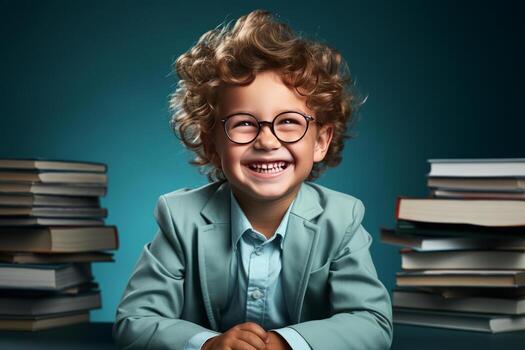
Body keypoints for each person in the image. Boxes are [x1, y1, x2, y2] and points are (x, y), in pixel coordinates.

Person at [113, 9, 393, 350]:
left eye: (289, 121)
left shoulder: (341, 220)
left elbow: (371, 324)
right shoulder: (180, 218)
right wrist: (207, 345)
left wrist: (285, 343)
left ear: (321, 141)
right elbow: (135, 322)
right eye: (244, 123)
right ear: (211, 144)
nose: (267, 140)